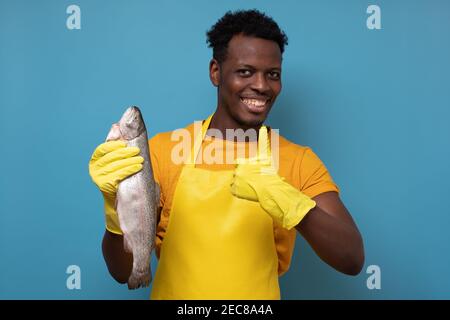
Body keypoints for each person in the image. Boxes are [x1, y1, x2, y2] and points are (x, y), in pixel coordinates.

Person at [88, 9, 364, 299]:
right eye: (245, 71)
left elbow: (351, 258)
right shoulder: (164, 151)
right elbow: (123, 271)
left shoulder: (296, 161)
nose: (261, 85)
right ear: (216, 72)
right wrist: (114, 210)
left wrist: (290, 203)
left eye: (273, 74)